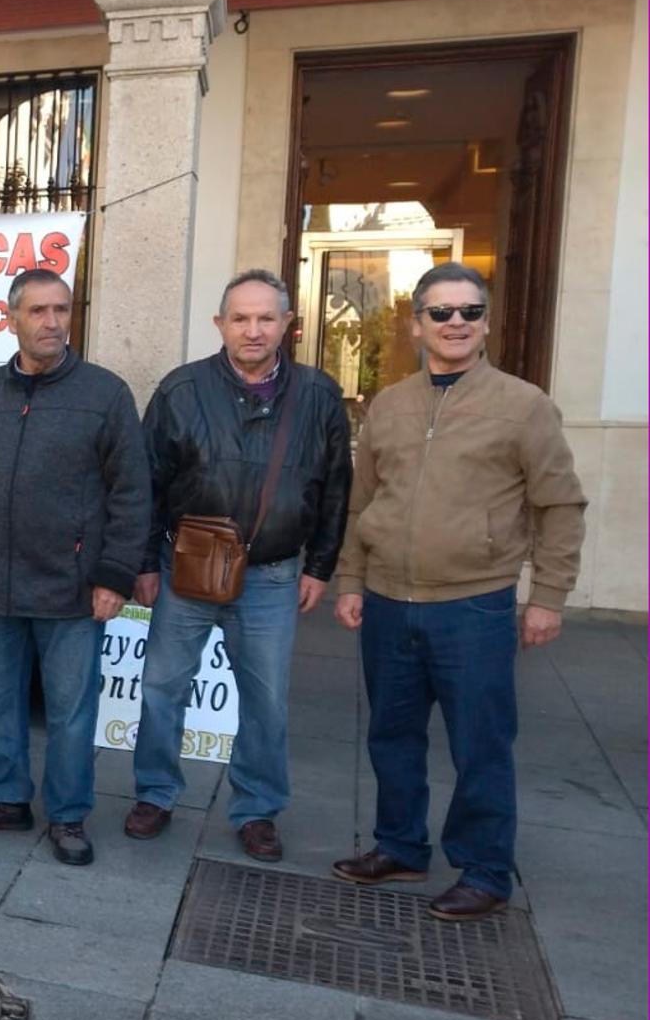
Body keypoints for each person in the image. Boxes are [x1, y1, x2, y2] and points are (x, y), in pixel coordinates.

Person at [330, 263, 585, 921]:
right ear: (417, 325)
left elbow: (560, 505)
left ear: (486, 322)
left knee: (481, 742)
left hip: (473, 603)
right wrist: (352, 580)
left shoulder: (523, 404)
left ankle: (485, 868)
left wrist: (549, 594)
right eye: (440, 312)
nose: (455, 323)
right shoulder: (388, 406)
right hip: (388, 598)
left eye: (469, 311)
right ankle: (401, 845)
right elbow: (363, 504)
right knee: (390, 735)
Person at [127, 269, 352, 862]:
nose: (253, 330)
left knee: (267, 700)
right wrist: (145, 563)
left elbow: (336, 487)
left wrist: (321, 565)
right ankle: (155, 794)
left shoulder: (319, 395)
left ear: (288, 324)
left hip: (273, 575)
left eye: (266, 318)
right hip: (187, 569)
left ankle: (257, 810)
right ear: (220, 324)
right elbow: (146, 483)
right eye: (241, 318)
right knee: (161, 689)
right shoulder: (181, 389)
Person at [0, 270, 150, 864]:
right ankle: (5, 800)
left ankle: (68, 814)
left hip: (72, 588)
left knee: (70, 710)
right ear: (11, 319)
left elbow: (132, 493)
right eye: (38, 311)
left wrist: (113, 575)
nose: (52, 321)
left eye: (60, 309)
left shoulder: (105, 394)